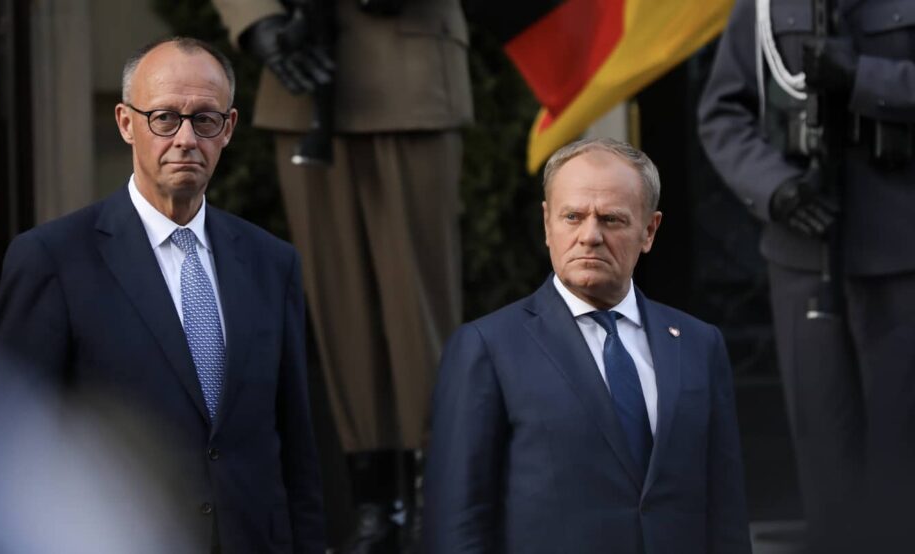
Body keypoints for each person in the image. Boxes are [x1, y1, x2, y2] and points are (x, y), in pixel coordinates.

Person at [0, 37, 325, 553]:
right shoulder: (53, 259)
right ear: (126, 123)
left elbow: (298, 444)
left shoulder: (271, 263)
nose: (186, 138)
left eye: (205, 120)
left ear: (228, 129)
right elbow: (16, 448)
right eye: (164, 118)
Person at [212, 0, 473, 548]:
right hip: (302, 76)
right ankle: (375, 498)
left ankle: (440, 490)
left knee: (417, 307)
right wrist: (258, 22)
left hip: (410, 67)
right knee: (338, 308)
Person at [422, 138, 752, 554]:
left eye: (611, 219)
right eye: (573, 216)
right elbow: (456, 522)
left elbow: (725, 512)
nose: (589, 236)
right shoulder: (488, 347)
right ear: (547, 224)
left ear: (649, 230)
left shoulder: (699, 344)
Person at [698, 1, 915, 551]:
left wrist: (864, 77)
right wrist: (775, 189)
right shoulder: (769, 4)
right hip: (804, 254)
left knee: (901, 459)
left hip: (903, 254)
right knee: (825, 457)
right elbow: (724, 112)